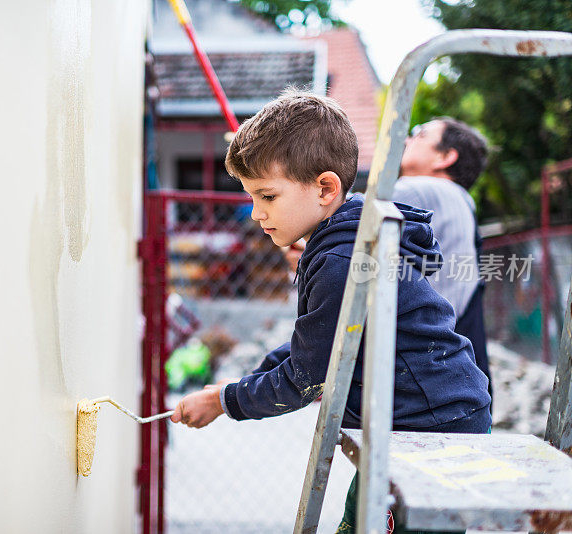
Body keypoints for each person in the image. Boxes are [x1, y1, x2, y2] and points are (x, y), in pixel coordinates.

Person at [169, 89, 491, 532]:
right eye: (252, 198)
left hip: (429, 433)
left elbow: (306, 377)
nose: (256, 214)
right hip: (417, 421)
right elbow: (317, 342)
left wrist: (226, 401)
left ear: (325, 188)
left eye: (267, 196)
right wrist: (237, 386)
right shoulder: (344, 246)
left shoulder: (342, 262)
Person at [394, 118, 492, 408]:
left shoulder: (415, 189)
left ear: (445, 156)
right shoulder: (462, 201)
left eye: (419, 135)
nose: (407, 140)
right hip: (461, 383)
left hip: (424, 387)